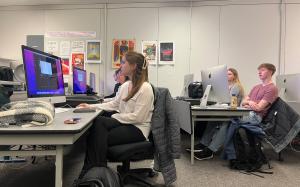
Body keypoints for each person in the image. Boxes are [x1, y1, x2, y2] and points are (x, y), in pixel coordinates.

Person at [77, 51, 154, 178]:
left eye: (123, 62)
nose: (121, 65)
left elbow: (138, 117)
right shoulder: (125, 86)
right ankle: (96, 171)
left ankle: (92, 172)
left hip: (138, 129)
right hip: (126, 123)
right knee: (98, 123)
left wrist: (115, 116)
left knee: (97, 136)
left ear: (133, 66)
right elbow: (113, 104)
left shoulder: (145, 88)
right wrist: (90, 106)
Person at [222, 63, 278, 161]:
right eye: (259, 70)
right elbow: (243, 102)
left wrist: (250, 103)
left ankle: (229, 154)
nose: (259, 72)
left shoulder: (272, 88)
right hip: (246, 112)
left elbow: (259, 108)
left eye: (263, 70)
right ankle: (229, 153)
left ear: (270, 72)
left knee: (231, 119)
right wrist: (251, 103)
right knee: (226, 119)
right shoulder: (256, 87)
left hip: (256, 116)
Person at [187, 68, 245, 160]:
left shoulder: (236, 86)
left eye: (229, 74)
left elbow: (229, 100)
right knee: (212, 121)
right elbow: (222, 99)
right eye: (226, 74)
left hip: (234, 114)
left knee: (225, 125)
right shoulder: (225, 86)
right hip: (225, 111)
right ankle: (203, 144)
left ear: (235, 76)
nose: (227, 75)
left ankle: (211, 150)